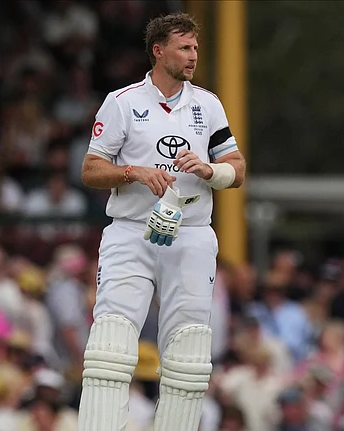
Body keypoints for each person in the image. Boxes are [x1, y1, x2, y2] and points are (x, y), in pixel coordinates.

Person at [77, 12, 246, 431]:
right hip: (131, 232)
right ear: (159, 50)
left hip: (191, 234)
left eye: (195, 48)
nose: (193, 56)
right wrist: (134, 172)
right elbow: (91, 170)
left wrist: (209, 170)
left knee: (188, 351)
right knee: (111, 344)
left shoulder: (207, 103)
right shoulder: (123, 102)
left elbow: (237, 169)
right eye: (184, 48)